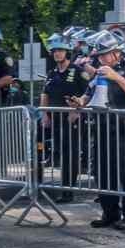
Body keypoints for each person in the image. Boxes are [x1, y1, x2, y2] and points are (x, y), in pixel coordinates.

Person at [77, 31, 125, 230]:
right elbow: (88, 94)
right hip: (102, 129)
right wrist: (79, 102)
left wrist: (116, 77)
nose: (101, 59)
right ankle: (110, 213)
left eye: (104, 54)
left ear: (116, 53)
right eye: (99, 56)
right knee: (104, 173)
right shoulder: (99, 72)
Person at [39, 32, 88, 198]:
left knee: (70, 154)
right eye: (54, 51)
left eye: (60, 50)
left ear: (67, 51)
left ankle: (68, 191)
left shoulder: (78, 71)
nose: (57, 53)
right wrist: (44, 114)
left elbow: (87, 94)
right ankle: (61, 187)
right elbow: (45, 94)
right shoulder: (52, 73)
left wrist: (76, 111)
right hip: (55, 120)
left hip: (72, 119)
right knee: (59, 153)